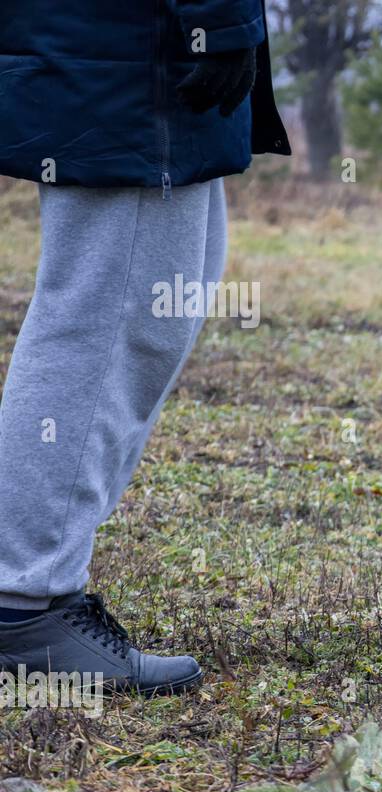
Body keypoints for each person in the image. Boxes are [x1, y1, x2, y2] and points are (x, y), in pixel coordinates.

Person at [0, 1, 290, 694]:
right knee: (106, 319)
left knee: (149, 313)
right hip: (130, 49)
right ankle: (25, 605)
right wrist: (217, 20)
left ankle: (33, 590)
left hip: (129, 45)